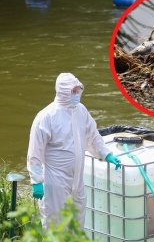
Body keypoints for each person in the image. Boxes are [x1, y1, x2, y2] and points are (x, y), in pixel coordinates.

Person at [27, 72, 121, 230]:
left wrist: (105, 153)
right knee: (55, 225)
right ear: (64, 92)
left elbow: (92, 135)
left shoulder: (81, 111)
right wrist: (36, 181)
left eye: (79, 90)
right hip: (55, 181)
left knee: (77, 222)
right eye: (74, 91)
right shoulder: (46, 117)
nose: (77, 94)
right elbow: (35, 152)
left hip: (77, 180)